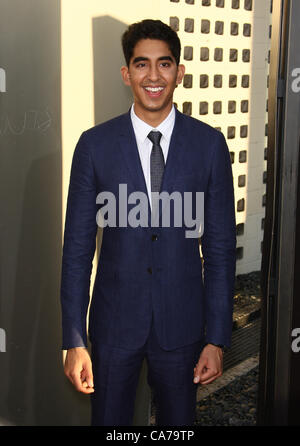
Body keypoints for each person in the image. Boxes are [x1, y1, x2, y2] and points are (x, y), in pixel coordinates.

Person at [60, 19, 236, 426]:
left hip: (183, 328)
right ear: (127, 73)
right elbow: (77, 251)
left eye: (164, 64)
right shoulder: (94, 145)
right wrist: (74, 339)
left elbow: (221, 250)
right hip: (113, 326)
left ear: (179, 73)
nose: (153, 76)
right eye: (142, 64)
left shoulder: (209, 145)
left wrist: (216, 338)